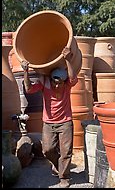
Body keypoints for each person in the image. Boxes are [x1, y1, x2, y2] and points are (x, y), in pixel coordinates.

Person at [21, 47, 78, 188]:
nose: (57, 85)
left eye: (60, 82)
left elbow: (72, 77)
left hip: (65, 122)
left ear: (64, 82)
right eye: (55, 81)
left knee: (66, 151)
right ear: (50, 79)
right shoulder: (44, 83)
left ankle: (64, 178)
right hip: (48, 123)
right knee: (47, 150)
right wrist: (25, 71)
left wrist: (68, 60)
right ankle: (58, 165)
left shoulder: (67, 85)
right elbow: (28, 89)